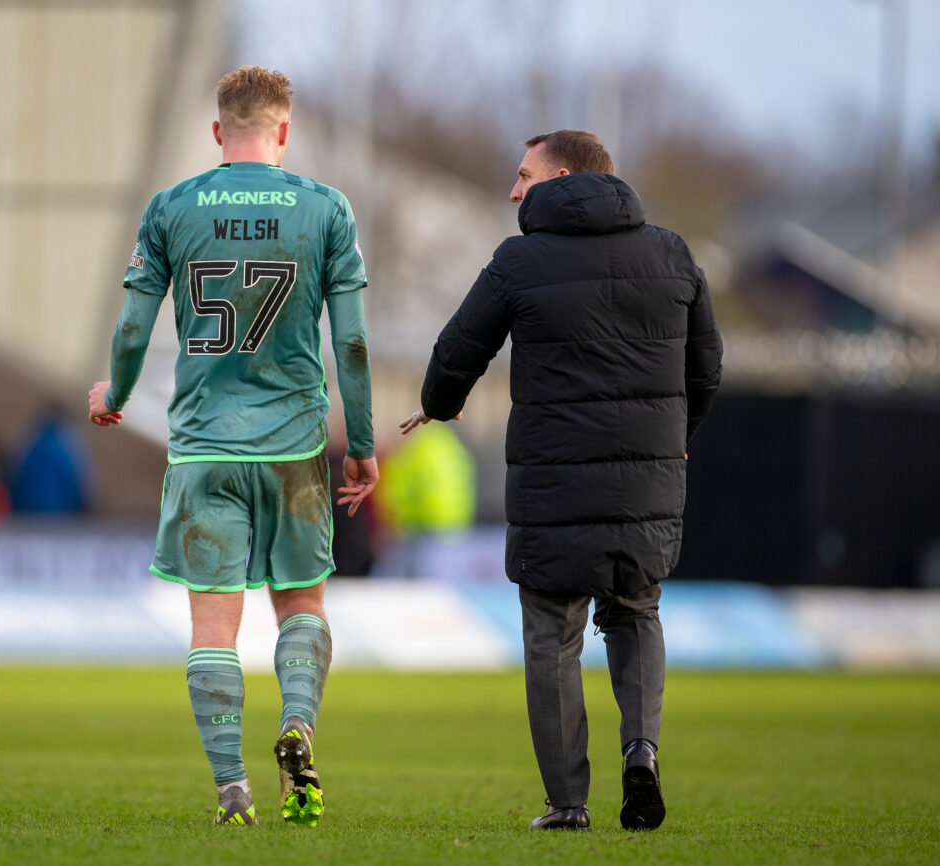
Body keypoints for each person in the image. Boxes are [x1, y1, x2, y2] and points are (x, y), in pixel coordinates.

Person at [401, 130, 722, 831]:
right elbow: (707, 366)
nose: (514, 191)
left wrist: (436, 406)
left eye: (523, 176)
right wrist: (675, 440)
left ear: (563, 176)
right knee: (636, 612)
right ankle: (641, 750)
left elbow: (460, 348)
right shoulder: (671, 253)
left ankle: (568, 804)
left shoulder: (521, 260)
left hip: (552, 481)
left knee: (552, 633)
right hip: (647, 480)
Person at [88, 66, 378, 828]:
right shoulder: (324, 210)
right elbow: (349, 341)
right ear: (284, 131)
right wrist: (365, 444)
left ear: (219, 132)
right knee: (304, 606)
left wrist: (112, 396)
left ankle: (233, 793)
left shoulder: (172, 208)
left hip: (204, 450)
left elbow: (130, 329)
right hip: (293, 450)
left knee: (213, 629)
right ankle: (298, 726)